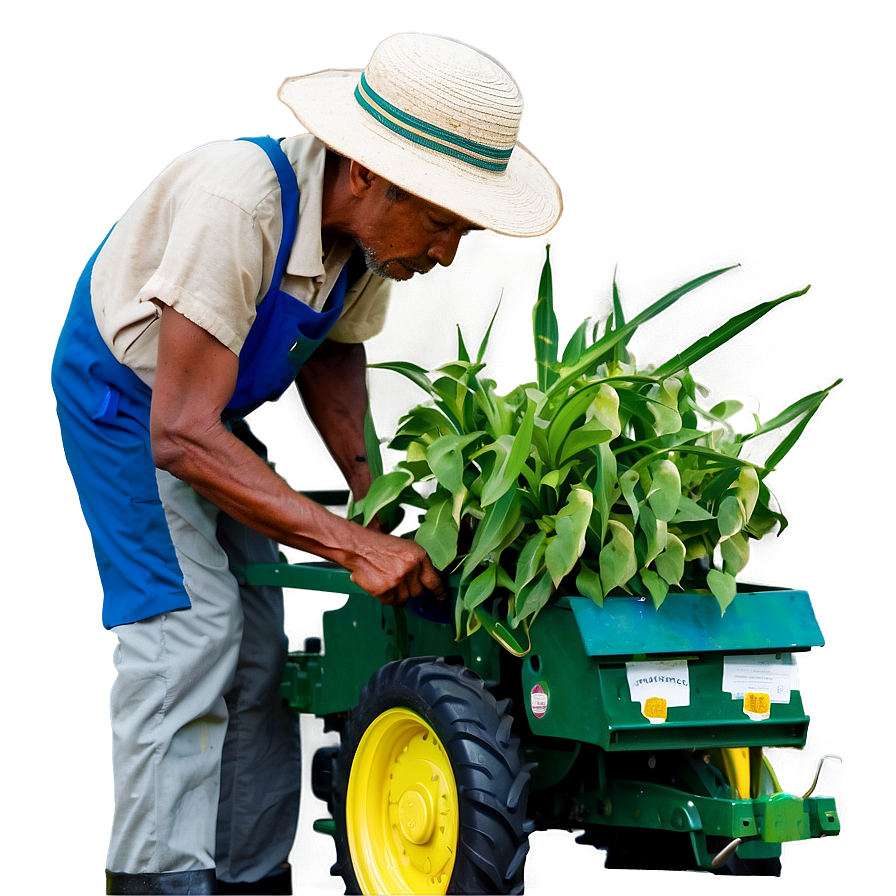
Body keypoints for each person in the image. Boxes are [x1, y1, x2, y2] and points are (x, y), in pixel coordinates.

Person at [51, 31, 560, 896]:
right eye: (440, 222)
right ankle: (159, 880)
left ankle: (249, 877)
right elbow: (178, 432)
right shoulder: (237, 201)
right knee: (188, 640)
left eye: (462, 230)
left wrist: (370, 487)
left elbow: (331, 353)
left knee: (262, 656)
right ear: (366, 173)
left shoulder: (364, 242)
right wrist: (353, 548)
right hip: (131, 410)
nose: (448, 253)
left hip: (207, 417)